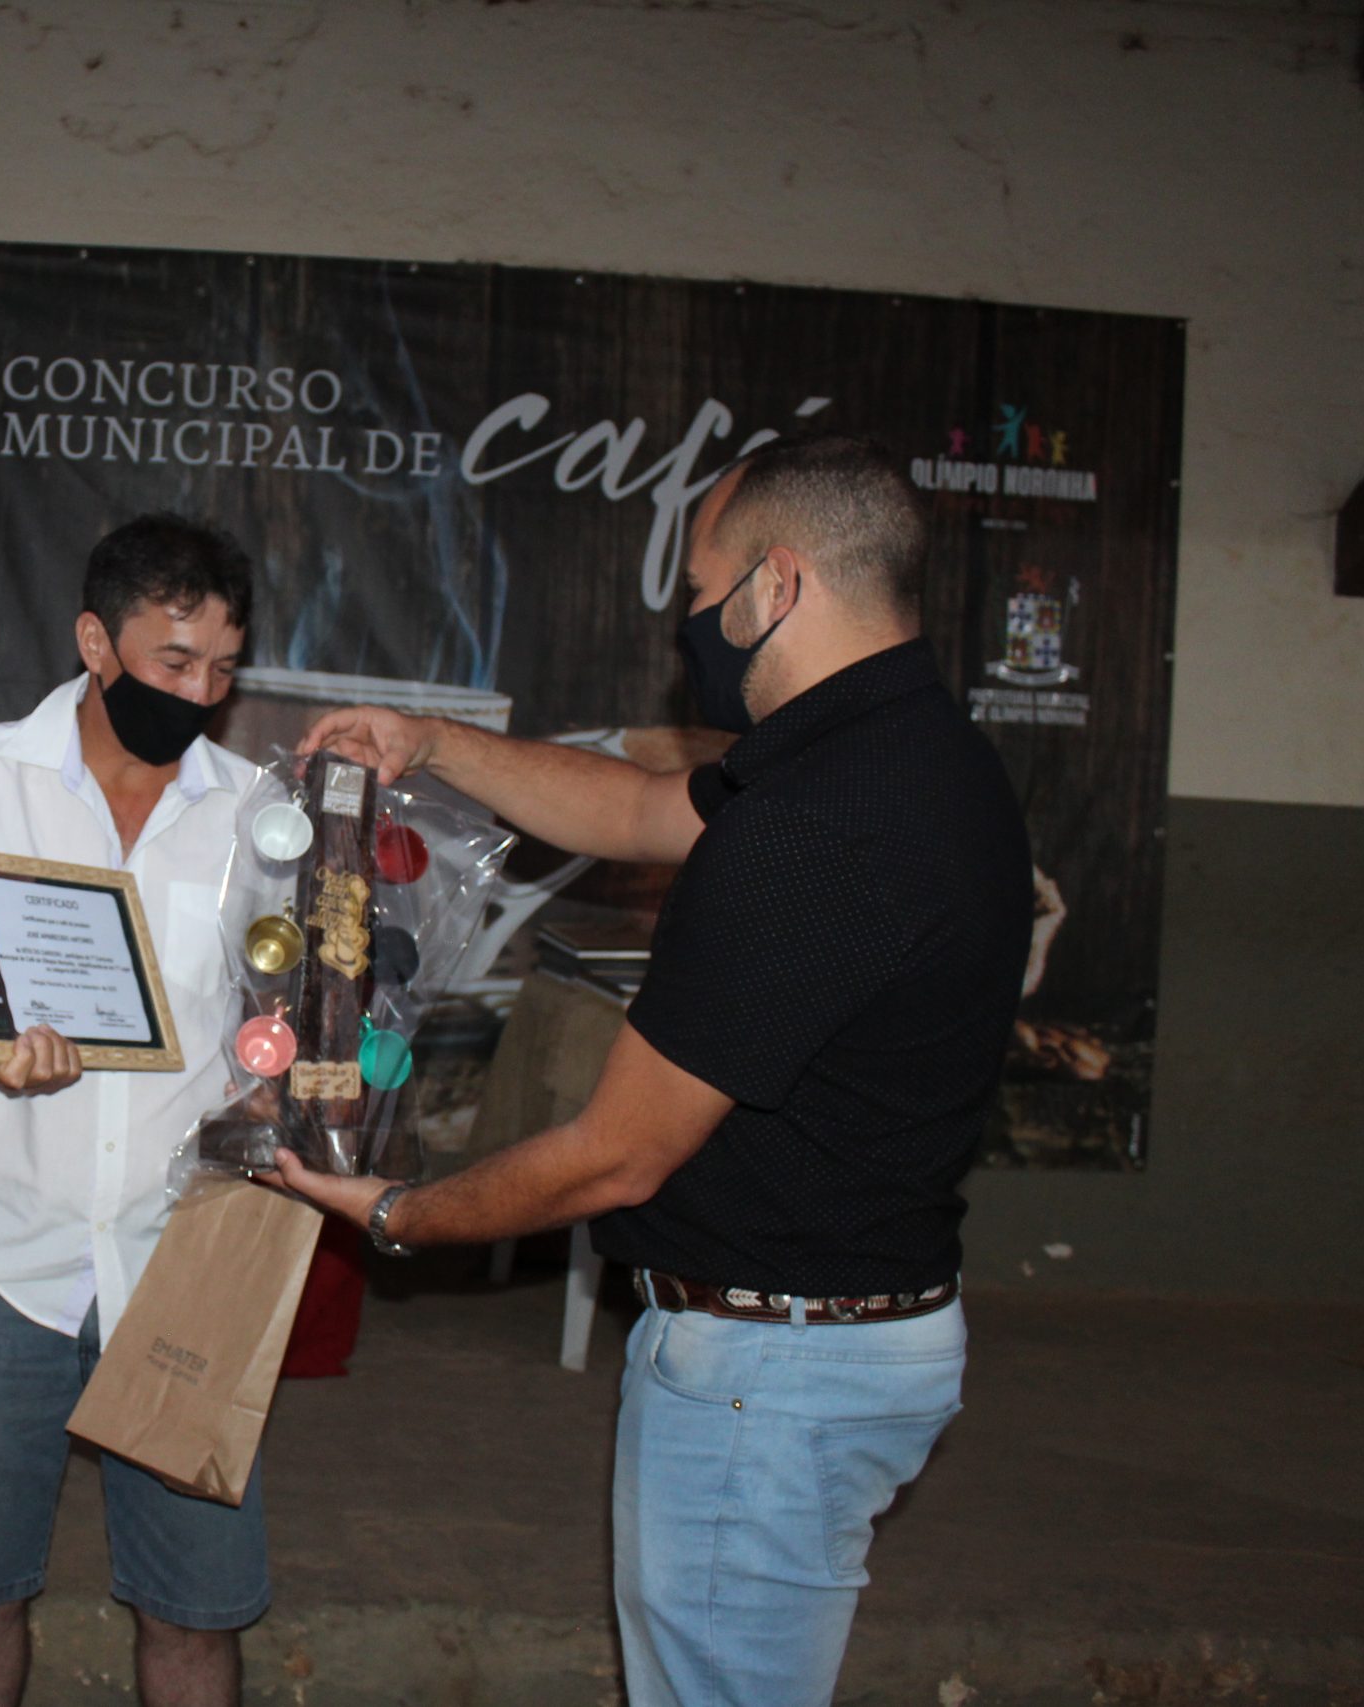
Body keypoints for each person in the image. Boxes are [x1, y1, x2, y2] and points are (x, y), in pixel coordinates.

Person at [272, 433, 1032, 1707]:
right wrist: (431, 741)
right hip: (857, 1333)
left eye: (698, 589)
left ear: (775, 585)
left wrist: (399, 1214)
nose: (688, 623)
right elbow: (634, 810)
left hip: (769, 1375)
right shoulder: (914, 755)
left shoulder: (810, 830)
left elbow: (614, 1155)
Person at [0, 513, 266, 1707]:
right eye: (173, 661)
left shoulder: (258, 813)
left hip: (185, 1263)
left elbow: (279, 1024)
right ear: (96, 642)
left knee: (194, 1611)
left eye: (223, 668)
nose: (200, 693)